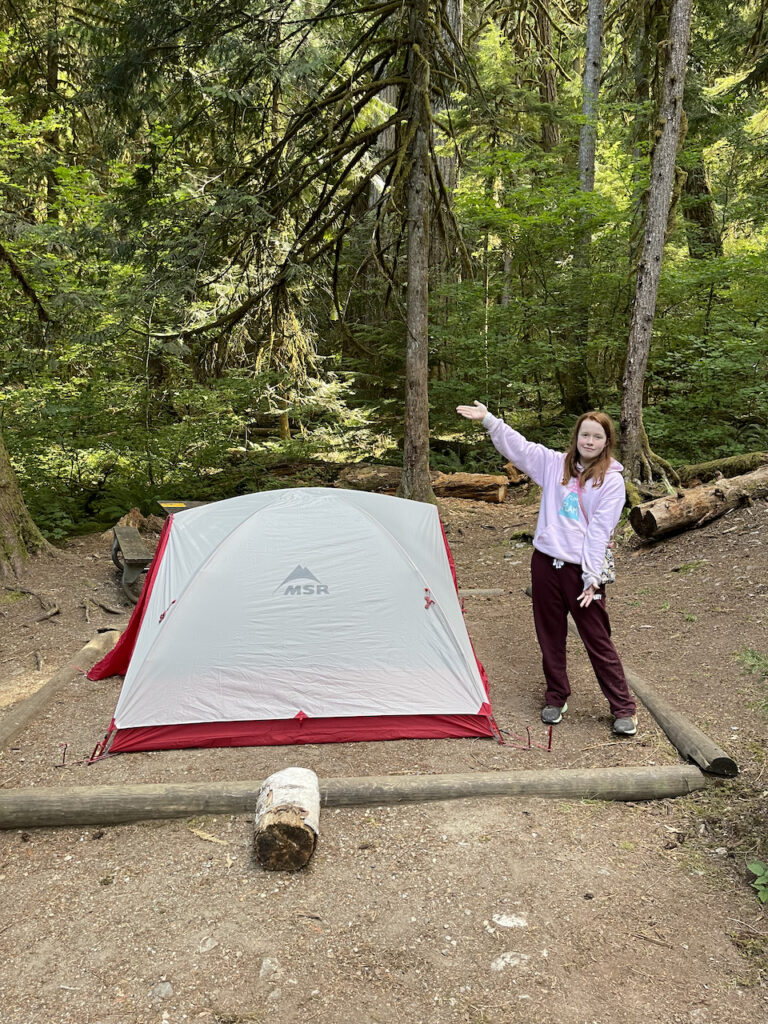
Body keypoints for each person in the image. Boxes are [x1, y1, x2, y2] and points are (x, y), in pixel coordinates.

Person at [456, 400, 637, 736]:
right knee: (549, 634)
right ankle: (556, 695)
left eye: (597, 437)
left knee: (597, 637)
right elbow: (521, 448)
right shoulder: (555, 465)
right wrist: (490, 421)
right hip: (544, 564)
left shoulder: (611, 482)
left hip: (581, 571)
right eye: (585, 434)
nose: (589, 441)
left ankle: (623, 707)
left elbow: (600, 531)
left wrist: (592, 577)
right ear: (577, 437)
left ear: (606, 442)